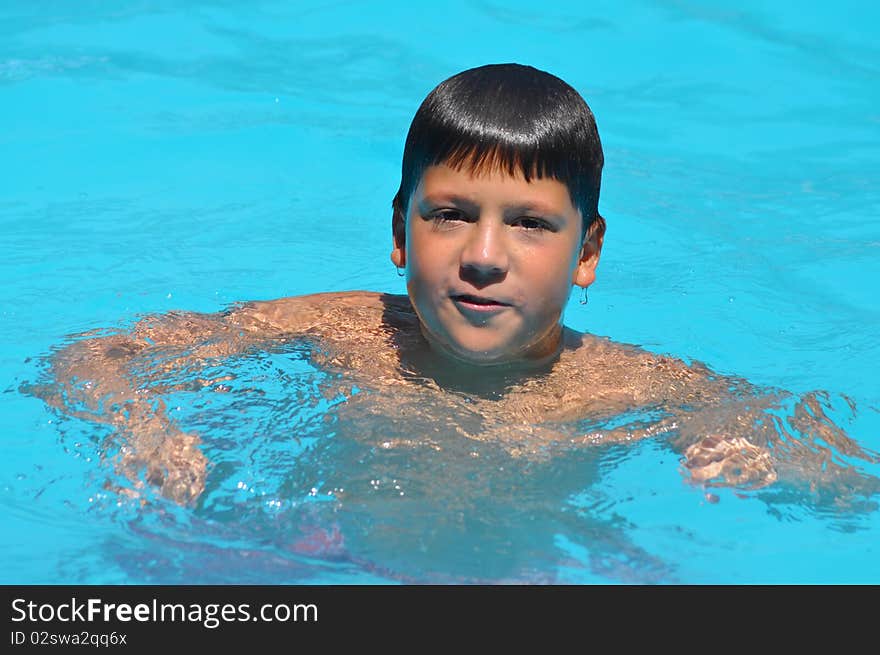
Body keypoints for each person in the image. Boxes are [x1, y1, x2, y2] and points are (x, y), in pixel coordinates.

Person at [39, 63, 877, 507]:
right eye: (448, 215)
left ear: (588, 251)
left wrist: (751, 448)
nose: (483, 255)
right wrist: (139, 425)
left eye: (530, 223)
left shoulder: (624, 384)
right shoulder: (345, 329)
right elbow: (95, 354)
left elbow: (838, 473)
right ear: (399, 231)